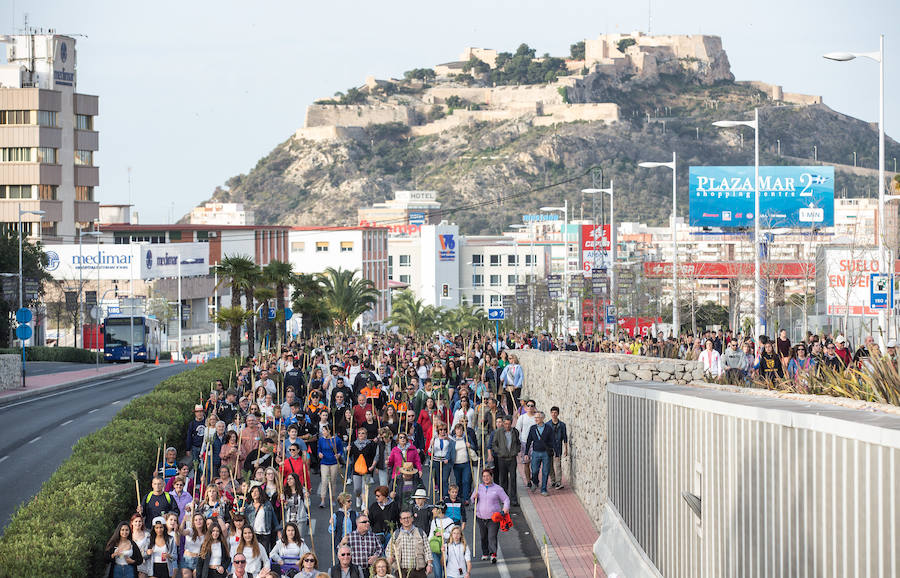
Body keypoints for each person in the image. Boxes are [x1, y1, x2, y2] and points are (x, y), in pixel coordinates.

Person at [470, 469, 509, 564]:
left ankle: (493, 554)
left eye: (488, 476)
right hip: (480, 516)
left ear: (491, 476)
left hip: (493, 517)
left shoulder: (498, 489)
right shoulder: (478, 487)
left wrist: (504, 510)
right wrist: (474, 497)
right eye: (484, 476)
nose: (486, 478)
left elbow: (506, 499)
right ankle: (485, 553)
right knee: (483, 536)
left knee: (492, 536)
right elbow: (472, 499)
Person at [386, 509, 432, 578]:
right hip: (401, 572)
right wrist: (390, 558)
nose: (406, 520)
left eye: (408, 517)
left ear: (412, 518)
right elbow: (389, 550)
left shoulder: (420, 532)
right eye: (404, 518)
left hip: (418, 571)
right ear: (400, 520)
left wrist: (429, 565)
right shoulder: (396, 534)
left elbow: (427, 550)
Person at [490, 416, 520, 506]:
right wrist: (499, 452)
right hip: (502, 458)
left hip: (512, 458)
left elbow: (518, 443)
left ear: (511, 423)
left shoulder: (515, 432)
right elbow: (494, 444)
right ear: (503, 423)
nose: (507, 425)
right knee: (503, 479)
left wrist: (516, 451)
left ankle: (513, 498)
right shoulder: (498, 432)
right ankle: (504, 498)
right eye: (505, 424)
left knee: (513, 478)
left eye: (509, 424)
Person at [524, 411, 553, 496]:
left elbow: (552, 441)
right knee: (535, 470)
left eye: (537, 417)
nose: (536, 419)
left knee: (545, 471)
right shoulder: (533, 428)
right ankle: (535, 482)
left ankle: (543, 489)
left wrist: (554, 451)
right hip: (535, 453)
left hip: (545, 453)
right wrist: (526, 453)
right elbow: (529, 441)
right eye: (535, 417)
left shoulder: (548, 428)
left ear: (542, 418)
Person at [243, 484, 278, 553]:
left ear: (260, 493)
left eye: (256, 491)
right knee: (254, 552)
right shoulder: (248, 506)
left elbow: (274, 517)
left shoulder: (267, 504)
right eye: (252, 491)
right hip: (253, 533)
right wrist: (241, 511)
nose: (254, 493)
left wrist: (278, 529)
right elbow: (244, 519)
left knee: (264, 552)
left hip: (265, 532)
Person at [348, 427, 377, 509]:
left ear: (366, 435)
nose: (361, 435)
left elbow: (374, 456)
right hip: (356, 469)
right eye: (359, 433)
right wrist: (348, 450)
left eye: (363, 433)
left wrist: (372, 467)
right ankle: (358, 497)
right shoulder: (353, 444)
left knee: (365, 488)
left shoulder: (370, 444)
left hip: (367, 469)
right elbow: (349, 456)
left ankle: (364, 503)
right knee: (357, 488)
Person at [317, 424, 345, 508]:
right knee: (324, 481)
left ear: (329, 431)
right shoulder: (321, 440)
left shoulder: (337, 440)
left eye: (324, 430)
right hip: (324, 462)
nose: (323, 432)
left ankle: (332, 499)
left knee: (333, 481)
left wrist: (339, 455)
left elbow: (341, 449)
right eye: (322, 430)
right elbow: (319, 449)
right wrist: (319, 453)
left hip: (334, 462)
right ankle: (322, 500)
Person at [367, 485, 399, 554]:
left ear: (384, 495)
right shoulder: (374, 506)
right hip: (377, 534)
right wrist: (367, 515)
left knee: (390, 554)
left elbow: (397, 519)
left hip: (390, 533)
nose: (376, 498)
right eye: (376, 495)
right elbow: (371, 522)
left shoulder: (393, 505)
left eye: (378, 496)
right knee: (379, 554)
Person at [428, 503, 454, 578]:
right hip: (435, 549)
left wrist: (443, 534)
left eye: (434, 509)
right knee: (437, 572)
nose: (432, 511)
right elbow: (431, 535)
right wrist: (427, 546)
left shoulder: (449, 521)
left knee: (447, 571)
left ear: (439, 510)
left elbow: (454, 535)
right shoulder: (434, 521)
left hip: (446, 549)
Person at [547, 406, 568, 490]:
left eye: (555, 413)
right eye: (552, 412)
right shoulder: (547, 424)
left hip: (558, 447)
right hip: (549, 447)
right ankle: (553, 480)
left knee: (558, 464)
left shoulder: (562, 425)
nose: (554, 414)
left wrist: (566, 449)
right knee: (550, 465)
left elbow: (565, 437)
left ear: (558, 414)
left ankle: (558, 482)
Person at [179, 512, 206, 577]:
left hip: (198, 559)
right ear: (193, 522)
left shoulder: (206, 534)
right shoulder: (191, 531)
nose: (198, 521)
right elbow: (181, 532)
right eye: (196, 520)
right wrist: (183, 521)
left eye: (200, 519)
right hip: (187, 559)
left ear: (203, 521)